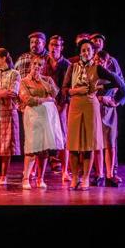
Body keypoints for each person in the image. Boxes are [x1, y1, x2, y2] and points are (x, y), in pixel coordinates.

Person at [62, 38, 125, 190]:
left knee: (89, 144)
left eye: (89, 50)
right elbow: (64, 89)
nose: (86, 52)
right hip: (75, 106)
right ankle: (75, 178)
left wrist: (110, 96)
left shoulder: (98, 68)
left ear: (93, 52)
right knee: (73, 144)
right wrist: (75, 91)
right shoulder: (72, 67)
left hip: (90, 106)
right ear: (80, 53)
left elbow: (119, 83)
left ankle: (86, 178)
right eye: (83, 50)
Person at [19, 56, 65, 189]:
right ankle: (26, 178)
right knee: (32, 146)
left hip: (47, 116)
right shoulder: (24, 81)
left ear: (43, 67)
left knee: (44, 148)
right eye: (34, 64)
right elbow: (27, 99)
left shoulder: (47, 79)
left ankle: (40, 178)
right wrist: (45, 100)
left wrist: (42, 82)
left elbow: (55, 93)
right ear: (30, 65)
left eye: (40, 65)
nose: (37, 66)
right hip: (32, 115)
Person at [91, 33, 125, 186]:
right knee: (96, 142)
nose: (99, 62)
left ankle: (110, 174)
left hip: (108, 110)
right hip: (94, 108)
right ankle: (99, 174)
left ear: (107, 62)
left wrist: (115, 102)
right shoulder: (90, 70)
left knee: (110, 142)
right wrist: (99, 98)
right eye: (96, 60)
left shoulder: (112, 71)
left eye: (100, 40)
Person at [0, 48, 21, 186]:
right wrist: (2, 93)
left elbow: (13, 92)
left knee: (6, 146)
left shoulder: (15, 74)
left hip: (9, 111)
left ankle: (4, 175)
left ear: (3, 58)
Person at [45, 35, 72, 180]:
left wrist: (63, 105)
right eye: (52, 45)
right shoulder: (43, 63)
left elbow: (68, 87)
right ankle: (37, 172)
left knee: (62, 137)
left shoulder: (67, 64)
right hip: (46, 104)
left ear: (61, 48)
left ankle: (65, 171)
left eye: (57, 45)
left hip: (61, 105)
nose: (54, 48)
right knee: (43, 137)